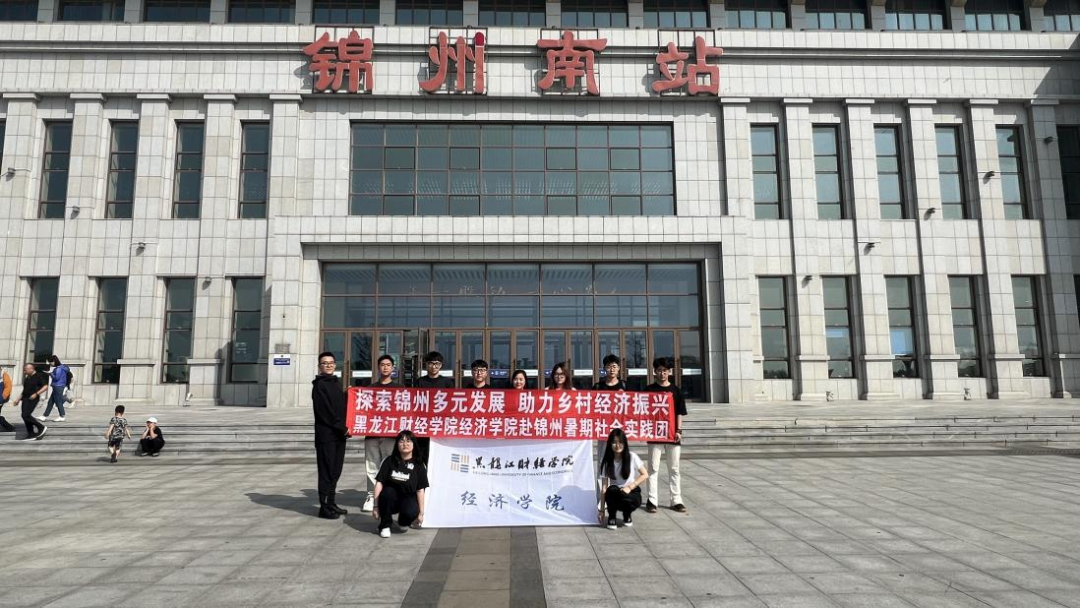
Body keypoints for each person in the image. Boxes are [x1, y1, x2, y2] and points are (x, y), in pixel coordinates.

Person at [645, 357, 688, 514]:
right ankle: (652, 501)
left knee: (674, 468)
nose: (662, 373)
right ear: (654, 372)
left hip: (672, 435)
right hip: (654, 434)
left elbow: (679, 413)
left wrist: (679, 430)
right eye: (659, 370)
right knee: (653, 468)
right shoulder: (648, 390)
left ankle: (676, 500)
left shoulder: (676, 391)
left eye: (665, 370)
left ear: (669, 372)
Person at [312, 351, 349, 520]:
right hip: (326, 436)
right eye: (324, 363)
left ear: (335, 364)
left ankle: (331, 502)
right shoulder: (319, 386)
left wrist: (349, 395)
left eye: (331, 362)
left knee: (335, 471)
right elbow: (325, 412)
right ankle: (324, 507)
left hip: (339, 435)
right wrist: (341, 427)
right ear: (320, 366)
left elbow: (340, 406)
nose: (328, 365)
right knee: (326, 471)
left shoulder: (335, 383)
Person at [372, 430, 428, 539]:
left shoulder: (419, 464)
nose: (405, 444)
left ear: (414, 444)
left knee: (410, 512)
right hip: (391, 498)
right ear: (397, 444)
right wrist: (375, 506)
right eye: (401, 441)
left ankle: (403, 522)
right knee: (387, 493)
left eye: (408, 441)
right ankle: (385, 525)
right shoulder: (389, 461)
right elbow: (379, 483)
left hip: (408, 497)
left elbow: (420, 489)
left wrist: (421, 513)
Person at [363, 354, 399, 513]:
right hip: (372, 433)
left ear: (393, 368)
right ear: (378, 367)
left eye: (388, 365)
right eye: (382, 364)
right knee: (372, 466)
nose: (385, 367)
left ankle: (388, 495)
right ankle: (371, 496)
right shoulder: (370, 389)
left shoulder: (400, 389)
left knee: (390, 465)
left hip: (391, 434)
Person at [597, 428, 648, 530]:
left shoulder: (632, 456)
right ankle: (612, 516)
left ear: (625, 443)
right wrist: (601, 510)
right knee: (612, 490)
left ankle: (627, 514)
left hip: (630, 491)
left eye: (620, 442)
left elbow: (645, 474)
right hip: (615, 493)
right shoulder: (606, 461)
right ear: (610, 444)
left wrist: (630, 487)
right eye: (614, 442)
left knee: (631, 499)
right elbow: (604, 488)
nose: (617, 445)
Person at [414, 351, 452, 464]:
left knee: (441, 452)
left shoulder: (447, 382)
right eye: (431, 363)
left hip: (441, 423)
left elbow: (452, 403)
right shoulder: (420, 381)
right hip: (424, 423)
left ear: (441, 365)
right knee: (423, 452)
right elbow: (415, 402)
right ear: (426, 365)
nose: (434, 366)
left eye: (437, 363)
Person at [13, 363, 48, 441]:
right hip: (25, 399)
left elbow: (45, 386)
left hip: (33, 399)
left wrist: (36, 394)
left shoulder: (39, 376)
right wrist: (18, 399)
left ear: (31, 369)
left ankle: (41, 427)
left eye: (25, 370)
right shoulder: (27, 378)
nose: (24, 372)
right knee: (24, 416)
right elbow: (24, 391)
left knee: (26, 415)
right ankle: (31, 434)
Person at [40, 355, 70, 422]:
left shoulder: (59, 369)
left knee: (58, 402)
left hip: (58, 386)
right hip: (58, 386)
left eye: (50, 362)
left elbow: (56, 378)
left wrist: (50, 373)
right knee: (50, 402)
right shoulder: (61, 368)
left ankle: (62, 416)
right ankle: (44, 416)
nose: (50, 364)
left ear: (54, 361)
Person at [0, 365, 15, 432]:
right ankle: (9, 427)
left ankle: (9, 427)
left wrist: (2, 398)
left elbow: (8, 388)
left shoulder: (4, 375)